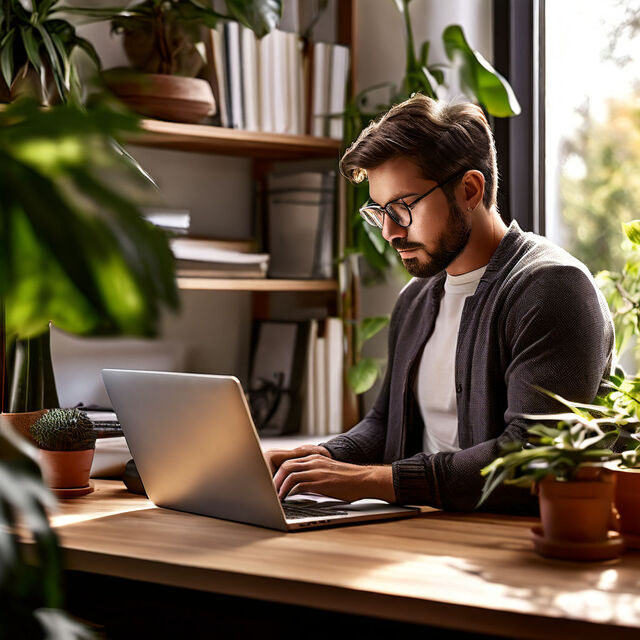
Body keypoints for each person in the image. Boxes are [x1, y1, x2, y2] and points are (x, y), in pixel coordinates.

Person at [265, 94, 615, 512]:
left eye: (403, 206)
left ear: (470, 189)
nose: (390, 232)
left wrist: (375, 480)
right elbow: (385, 421)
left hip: (501, 545)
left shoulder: (552, 287)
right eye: (379, 211)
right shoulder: (416, 298)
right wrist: (319, 459)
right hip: (419, 530)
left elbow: (530, 456)